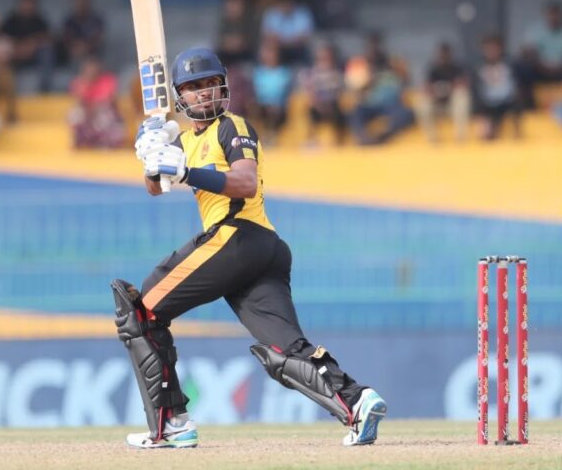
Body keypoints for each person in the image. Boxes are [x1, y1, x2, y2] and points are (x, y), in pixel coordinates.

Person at [115, 47, 386, 449]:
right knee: (286, 351)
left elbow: (243, 182)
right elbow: (156, 186)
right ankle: (358, 402)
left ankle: (171, 425)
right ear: (179, 96)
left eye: (210, 84)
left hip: (237, 236)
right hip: (258, 251)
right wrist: (150, 151)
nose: (203, 93)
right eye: (193, 87)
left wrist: (186, 172)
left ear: (223, 86)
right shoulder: (185, 141)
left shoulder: (232, 126)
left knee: (141, 312)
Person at [1, 0, 55, 92]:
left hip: (34, 55)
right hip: (15, 54)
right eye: (26, 3)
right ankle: (5, 89)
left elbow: (46, 38)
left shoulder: (40, 21)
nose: (28, 7)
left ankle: (44, 89)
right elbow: (3, 38)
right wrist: (18, 48)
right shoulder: (11, 21)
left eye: (31, 4)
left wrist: (31, 45)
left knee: (46, 52)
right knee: (3, 51)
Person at [415, 42, 470, 143]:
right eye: (440, 54)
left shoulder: (457, 68)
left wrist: (449, 88)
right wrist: (435, 91)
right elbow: (426, 87)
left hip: (452, 106)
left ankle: (460, 137)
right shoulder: (432, 69)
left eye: (445, 54)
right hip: (437, 105)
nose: (442, 57)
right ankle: (432, 138)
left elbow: (463, 84)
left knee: (461, 95)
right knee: (422, 102)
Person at [67, 56, 124, 149]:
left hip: (103, 115)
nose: (91, 71)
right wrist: (87, 83)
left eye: (93, 69)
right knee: (75, 114)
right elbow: (79, 101)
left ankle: (105, 145)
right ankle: (79, 143)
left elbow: (109, 102)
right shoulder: (79, 82)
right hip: (87, 114)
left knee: (104, 115)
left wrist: (94, 108)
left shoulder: (107, 80)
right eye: (88, 69)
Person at [473, 34, 520, 140]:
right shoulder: (478, 67)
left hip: (507, 102)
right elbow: (476, 91)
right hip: (488, 104)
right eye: (488, 49)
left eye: (494, 49)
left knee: (517, 105)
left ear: (500, 49)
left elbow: (518, 84)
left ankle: (517, 134)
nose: (491, 52)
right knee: (486, 129)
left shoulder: (510, 65)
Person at [300, 42, 346, 146]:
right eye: (322, 57)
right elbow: (310, 91)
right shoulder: (313, 73)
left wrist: (328, 103)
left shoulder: (337, 73)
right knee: (310, 112)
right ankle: (311, 140)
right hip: (318, 106)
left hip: (332, 105)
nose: (325, 60)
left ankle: (338, 141)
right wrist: (318, 103)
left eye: (327, 57)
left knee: (339, 113)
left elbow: (339, 92)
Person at [59, 0, 105, 66]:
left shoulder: (97, 20)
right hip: (73, 54)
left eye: (83, 4)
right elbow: (67, 39)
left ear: (88, 3)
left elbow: (98, 38)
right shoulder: (68, 21)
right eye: (78, 4)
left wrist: (86, 46)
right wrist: (76, 47)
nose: (81, 7)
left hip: (93, 54)